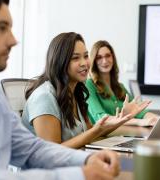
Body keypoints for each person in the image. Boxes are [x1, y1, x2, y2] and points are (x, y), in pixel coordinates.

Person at [0, 0, 120, 179]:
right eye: (1, 28)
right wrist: (79, 174)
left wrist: (86, 160)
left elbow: (30, 149)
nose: (13, 40)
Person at [22, 32, 150, 149]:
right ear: (59, 62)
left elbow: (90, 133)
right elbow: (51, 152)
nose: (84, 63)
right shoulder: (44, 97)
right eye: (75, 58)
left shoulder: (75, 92)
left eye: (86, 56)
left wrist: (121, 119)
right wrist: (97, 130)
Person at [86, 40, 159, 126]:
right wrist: (139, 122)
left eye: (108, 56)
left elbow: (139, 112)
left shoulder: (120, 87)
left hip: (122, 134)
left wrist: (157, 119)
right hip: (103, 137)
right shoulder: (89, 85)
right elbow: (100, 118)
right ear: (93, 61)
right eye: (99, 57)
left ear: (113, 58)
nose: (105, 61)